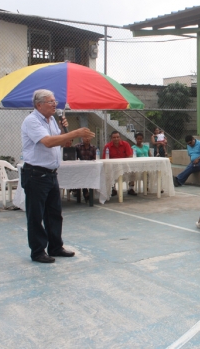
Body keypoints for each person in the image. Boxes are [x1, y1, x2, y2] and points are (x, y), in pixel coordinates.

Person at [21, 89, 95, 263]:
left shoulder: (52, 120)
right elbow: (47, 142)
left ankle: (55, 246)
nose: (55, 104)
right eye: (50, 102)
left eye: (55, 101)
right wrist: (75, 133)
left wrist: (64, 131)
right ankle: (38, 251)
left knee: (54, 213)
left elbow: (61, 142)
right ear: (39, 104)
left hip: (51, 174)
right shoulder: (32, 121)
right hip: (36, 174)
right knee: (36, 216)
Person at [103, 131, 133, 196]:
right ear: (111, 138)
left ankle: (131, 188)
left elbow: (130, 155)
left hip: (124, 164)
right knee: (108, 170)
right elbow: (105, 158)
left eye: (117, 137)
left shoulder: (126, 144)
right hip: (112, 165)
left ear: (120, 137)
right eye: (114, 137)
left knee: (133, 169)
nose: (116, 139)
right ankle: (113, 189)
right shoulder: (107, 146)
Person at [74, 136, 97, 202]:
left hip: (90, 168)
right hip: (79, 168)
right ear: (82, 138)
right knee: (81, 174)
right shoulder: (77, 147)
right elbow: (74, 158)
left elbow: (95, 159)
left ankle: (87, 192)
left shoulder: (93, 148)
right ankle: (84, 191)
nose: (87, 139)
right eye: (85, 137)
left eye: (88, 137)